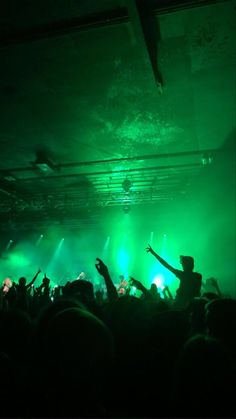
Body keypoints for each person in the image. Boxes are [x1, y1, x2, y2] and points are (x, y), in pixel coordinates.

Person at [146, 244, 202, 309]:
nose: (182, 265)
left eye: (183, 264)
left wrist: (153, 253)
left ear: (186, 265)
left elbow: (166, 265)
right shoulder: (198, 276)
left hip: (180, 304)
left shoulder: (182, 275)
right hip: (193, 305)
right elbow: (197, 292)